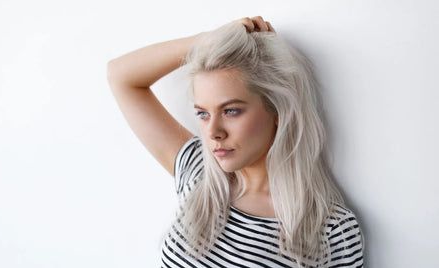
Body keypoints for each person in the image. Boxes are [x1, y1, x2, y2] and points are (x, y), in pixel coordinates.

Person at [107, 16, 364, 268]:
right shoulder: (199, 173)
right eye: (203, 114)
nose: (213, 132)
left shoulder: (331, 231)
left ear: (277, 110)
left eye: (231, 111)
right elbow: (120, 75)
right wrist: (205, 42)